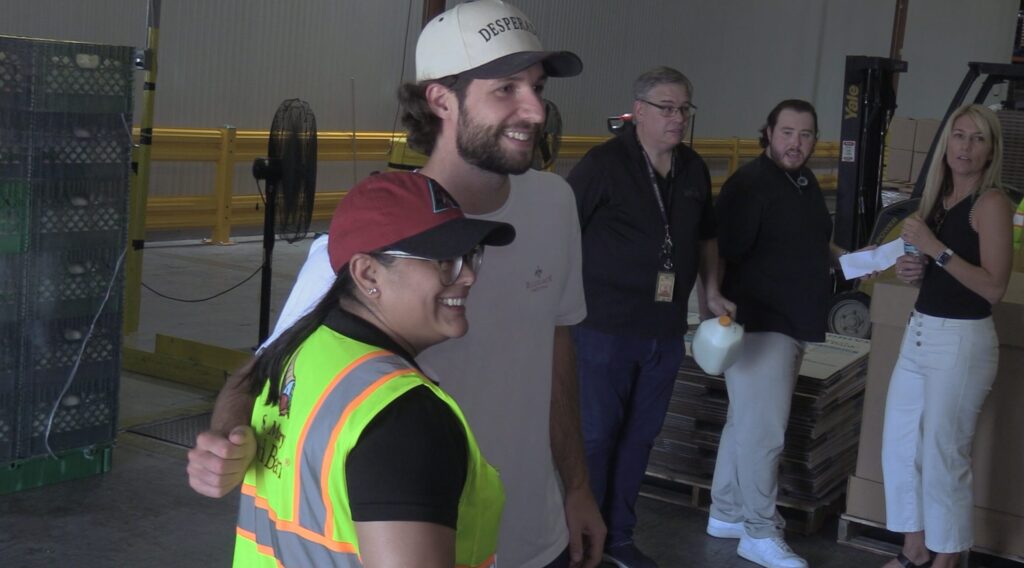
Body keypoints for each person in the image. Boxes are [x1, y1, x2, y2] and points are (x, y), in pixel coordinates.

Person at [187, 1, 607, 567]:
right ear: (441, 100)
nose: (535, 110)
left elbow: (555, 347)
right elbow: (260, 372)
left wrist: (577, 486)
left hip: (539, 532)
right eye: (506, 89)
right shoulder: (367, 246)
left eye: (537, 87)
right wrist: (222, 442)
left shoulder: (555, 204)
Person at [233, 171, 513, 567]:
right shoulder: (403, 416)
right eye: (444, 262)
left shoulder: (301, 350)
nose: (467, 275)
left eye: (470, 257)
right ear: (368, 274)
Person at [566, 66, 732, 568]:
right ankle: (581, 543)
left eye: (684, 109)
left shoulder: (693, 169)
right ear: (638, 111)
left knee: (640, 438)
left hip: (664, 331)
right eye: (666, 108)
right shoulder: (603, 165)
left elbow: (706, 236)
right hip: (603, 329)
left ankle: (619, 538)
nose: (677, 118)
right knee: (597, 436)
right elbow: (564, 235)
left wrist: (711, 292)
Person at [882, 104, 1013, 568]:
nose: (966, 147)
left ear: (990, 150)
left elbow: (993, 287)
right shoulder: (939, 200)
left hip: (960, 342)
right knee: (899, 447)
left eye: (978, 139)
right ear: (947, 143)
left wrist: (935, 249)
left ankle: (949, 557)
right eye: (959, 135)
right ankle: (915, 547)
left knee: (943, 455)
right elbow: (943, 272)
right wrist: (915, 270)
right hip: (920, 332)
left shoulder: (991, 203)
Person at [708, 100, 834, 568]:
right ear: (768, 132)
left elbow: (808, 240)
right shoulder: (750, 185)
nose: (796, 143)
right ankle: (758, 532)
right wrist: (712, 302)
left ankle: (726, 511)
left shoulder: (803, 182)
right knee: (764, 434)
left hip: (793, 318)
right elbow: (719, 249)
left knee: (745, 423)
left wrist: (848, 258)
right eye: (787, 132)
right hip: (762, 322)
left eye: (805, 134)